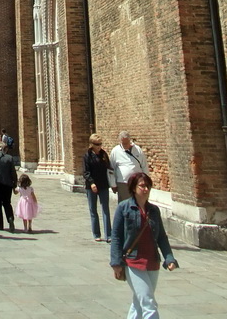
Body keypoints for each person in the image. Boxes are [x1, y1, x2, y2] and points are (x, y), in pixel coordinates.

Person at [110, 172, 178, 319]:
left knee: (138, 302)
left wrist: (169, 258)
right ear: (134, 188)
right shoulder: (124, 208)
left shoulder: (154, 210)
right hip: (133, 261)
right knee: (148, 303)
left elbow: (161, 237)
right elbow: (116, 237)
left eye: (148, 186)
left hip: (152, 261)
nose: (145, 189)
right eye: (142, 186)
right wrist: (116, 263)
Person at [83, 133, 115, 241]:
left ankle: (108, 235)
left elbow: (109, 169)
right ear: (91, 144)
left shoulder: (103, 154)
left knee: (105, 208)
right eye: (97, 144)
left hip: (103, 184)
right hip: (91, 186)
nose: (99, 146)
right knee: (93, 210)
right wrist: (92, 183)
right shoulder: (87, 156)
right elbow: (86, 172)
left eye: (100, 144)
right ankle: (96, 234)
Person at [110, 131, 148, 202]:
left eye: (126, 143)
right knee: (125, 205)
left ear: (130, 140)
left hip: (137, 182)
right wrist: (113, 184)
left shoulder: (138, 150)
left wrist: (146, 181)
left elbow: (144, 166)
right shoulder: (115, 151)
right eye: (123, 143)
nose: (125, 145)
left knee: (138, 202)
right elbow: (111, 169)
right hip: (123, 183)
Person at [0, 141, 18, 232]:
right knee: (7, 203)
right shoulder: (9, 158)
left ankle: (0, 225)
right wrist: (14, 185)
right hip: (8, 185)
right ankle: (10, 219)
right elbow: (13, 173)